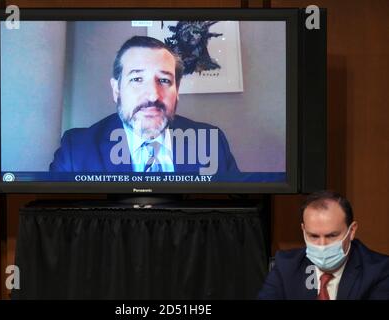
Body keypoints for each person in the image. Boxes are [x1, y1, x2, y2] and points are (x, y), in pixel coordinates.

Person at [49, 36, 239, 175]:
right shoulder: (76, 149)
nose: (153, 95)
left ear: (177, 90)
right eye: (137, 79)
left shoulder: (211, 143)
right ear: (116, 90)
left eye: (164, 80)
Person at [258, 190, 389, 300]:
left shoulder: (379, 271)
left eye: (332, 236)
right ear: (303, 230)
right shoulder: (287, 266)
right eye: (313, 236)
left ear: (352, 231)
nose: (322, 245)